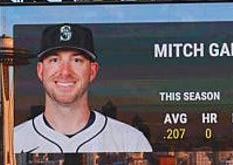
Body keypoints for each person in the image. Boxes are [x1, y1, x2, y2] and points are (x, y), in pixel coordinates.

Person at [14, 23, 151, 154]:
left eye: (77, 60)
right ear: (40, 71)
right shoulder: (13, 141)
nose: (65, 72)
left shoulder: (131, 141)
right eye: (54, 60)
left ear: (92, 71)